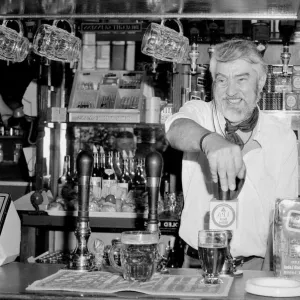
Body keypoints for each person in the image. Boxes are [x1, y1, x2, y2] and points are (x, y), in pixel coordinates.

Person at [165, 39, 298, 270]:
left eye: (241, 79)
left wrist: (265, 279)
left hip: (253, 267)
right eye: (222, 80)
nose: (231, 91)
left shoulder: (281, 136)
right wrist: (210, 140)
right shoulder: (200, 114)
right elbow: (175, 129)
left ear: (262, 81)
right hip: (197, 265)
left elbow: (280, 221)